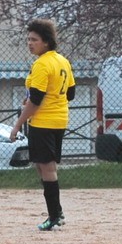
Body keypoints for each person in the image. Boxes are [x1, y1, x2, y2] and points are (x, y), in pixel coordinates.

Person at [10, 18, 76, 231]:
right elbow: (71, 93)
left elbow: (36, 100)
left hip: (43, 121)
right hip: (59, 120)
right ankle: (56, 211)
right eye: (28, 39)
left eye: (34, 39)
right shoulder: (62, 61)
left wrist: (18, 124)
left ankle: (55, 216)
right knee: (44, 165)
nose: (30, 43)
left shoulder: (41, 64)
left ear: (46, 42)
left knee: (46, 168)